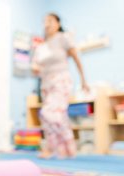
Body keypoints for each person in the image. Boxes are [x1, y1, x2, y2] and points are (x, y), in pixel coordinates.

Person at [31, 13, 89, 159]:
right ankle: (66, 149)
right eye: (45, 21)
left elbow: (76, 59)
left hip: (61, 81)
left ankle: (54, 147)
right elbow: (35, 68)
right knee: (56, 117)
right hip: (46, 84)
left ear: (58, 23)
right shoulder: (41, 47)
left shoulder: (63, 38)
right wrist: (35, 69)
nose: (47, 24)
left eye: (50, 20)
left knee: (48, 113)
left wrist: (83, 80)